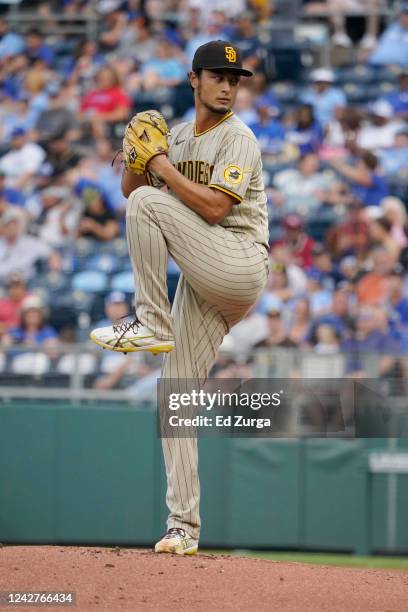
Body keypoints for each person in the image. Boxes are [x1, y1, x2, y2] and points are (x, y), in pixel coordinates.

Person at [90, 41, 269, 555]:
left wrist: (160, 167)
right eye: (218, 76)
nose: (228, 85)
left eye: (235, 79)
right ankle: (182, 528)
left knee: (152, 199)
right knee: (174, 398)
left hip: (237, 262)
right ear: (194, 79)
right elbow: (129, 188)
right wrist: (136, 155)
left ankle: (151, 320)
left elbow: (213, 209)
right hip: (201, 280)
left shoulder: (239, 139)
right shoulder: (179, 135)